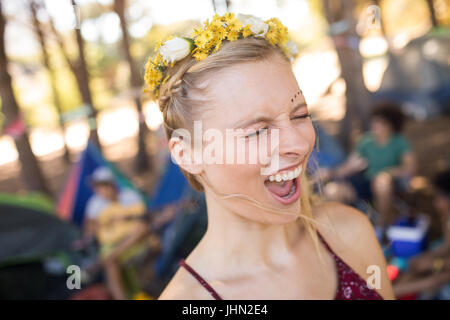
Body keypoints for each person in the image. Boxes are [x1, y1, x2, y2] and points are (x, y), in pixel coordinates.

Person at [144, 13, 394, 300]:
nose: (299, 144)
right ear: (187, 154)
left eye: (300, 115)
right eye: (258, 131)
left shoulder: (350, 233)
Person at [322, 102, 416, 232]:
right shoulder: (365, 141)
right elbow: (350, 165)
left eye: (380, 122)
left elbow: (410, 168)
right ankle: (340, 231)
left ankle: (381, 227)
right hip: (365, 182)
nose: (374, 125)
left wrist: (387, 173)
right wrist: (333, 172)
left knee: (382, 181)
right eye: (374, 121)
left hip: (391, 185)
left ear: (390, 125)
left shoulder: (399, 142)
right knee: (332, 190)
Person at [83, 167, 148, 300]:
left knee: (141, 230)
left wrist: (125, 218)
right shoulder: (94, 204)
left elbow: (143, 218)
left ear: (111, 185)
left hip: (132, 240)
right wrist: (101, 224)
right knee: (111, 264)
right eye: (97, 187)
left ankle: (109, 257)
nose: (99, 191)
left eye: (101, 186)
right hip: (111, 243)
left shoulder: (129, 196)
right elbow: (88, 230)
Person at [392, 169, 450, 298]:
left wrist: (435, 264)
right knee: (416, 266)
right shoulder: (446, 215)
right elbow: (447, 244)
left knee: (434, 281)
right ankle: (390, 292)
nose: (436, 202)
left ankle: (387, 294)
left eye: (440, 197)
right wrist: (429, 258)